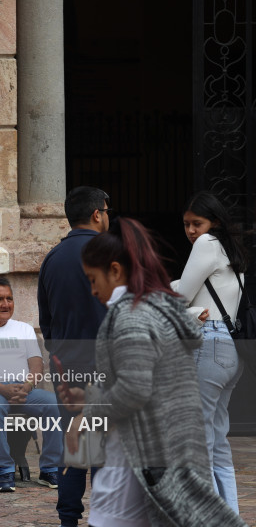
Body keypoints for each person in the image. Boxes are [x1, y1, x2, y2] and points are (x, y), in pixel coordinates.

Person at [60, 216, 245, 526]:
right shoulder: (158, 307)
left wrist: (88, 413)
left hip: (136, 463)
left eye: (93, 279)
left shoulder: (130, 316)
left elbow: (135, 388)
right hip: (154, 460)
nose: (92, 291)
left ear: (115, 271)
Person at [37, 186, 109, 526]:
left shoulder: (52, 258)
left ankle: (68, 519)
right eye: (106, 211)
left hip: (67, 365)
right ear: (97, 214)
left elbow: (46, 321)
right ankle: (106, 516)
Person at [173, 190, 248, 513]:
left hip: (209, 343)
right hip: (231, 350)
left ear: (214, 222)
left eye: (197, 223)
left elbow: (182, 295)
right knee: (217, 442)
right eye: (187, 224)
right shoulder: (232, 251)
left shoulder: (207, 245)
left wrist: (159, 287)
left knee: (198, 442)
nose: (191, 231)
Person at [0, 278, 62, 493]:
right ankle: (5, 470)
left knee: (55, 403)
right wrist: (2, 389)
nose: (6, 304)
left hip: (24, 390)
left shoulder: (24, 329)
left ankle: (49, 468)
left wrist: (27, 386)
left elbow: (36, 363)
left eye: (9, 299)